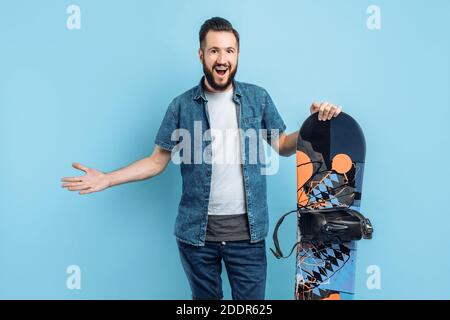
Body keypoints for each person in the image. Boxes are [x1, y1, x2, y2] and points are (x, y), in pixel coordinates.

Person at [61, 17, 342, 300]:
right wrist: (108, 179)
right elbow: (156, 161)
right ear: (201, 55)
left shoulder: (259, 99)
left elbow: (281, 145)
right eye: (214, 50)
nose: (222, 58)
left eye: (229, 51)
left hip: (248, 238)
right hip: (197, 239)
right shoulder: (181, 106)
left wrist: (314, 123)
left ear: (237, 55)